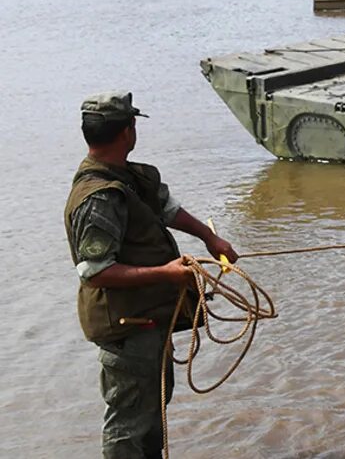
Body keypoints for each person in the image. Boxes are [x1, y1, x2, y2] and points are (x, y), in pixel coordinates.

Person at [64, 92, 239, 457]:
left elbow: (166, 208)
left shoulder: (128, 177)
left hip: (146, 322)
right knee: (129, 426)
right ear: (128, 130)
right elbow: (96, 272)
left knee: (151, 414)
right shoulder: (98, 197)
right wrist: (167, 273)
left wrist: (209, 237)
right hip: (128, 330)